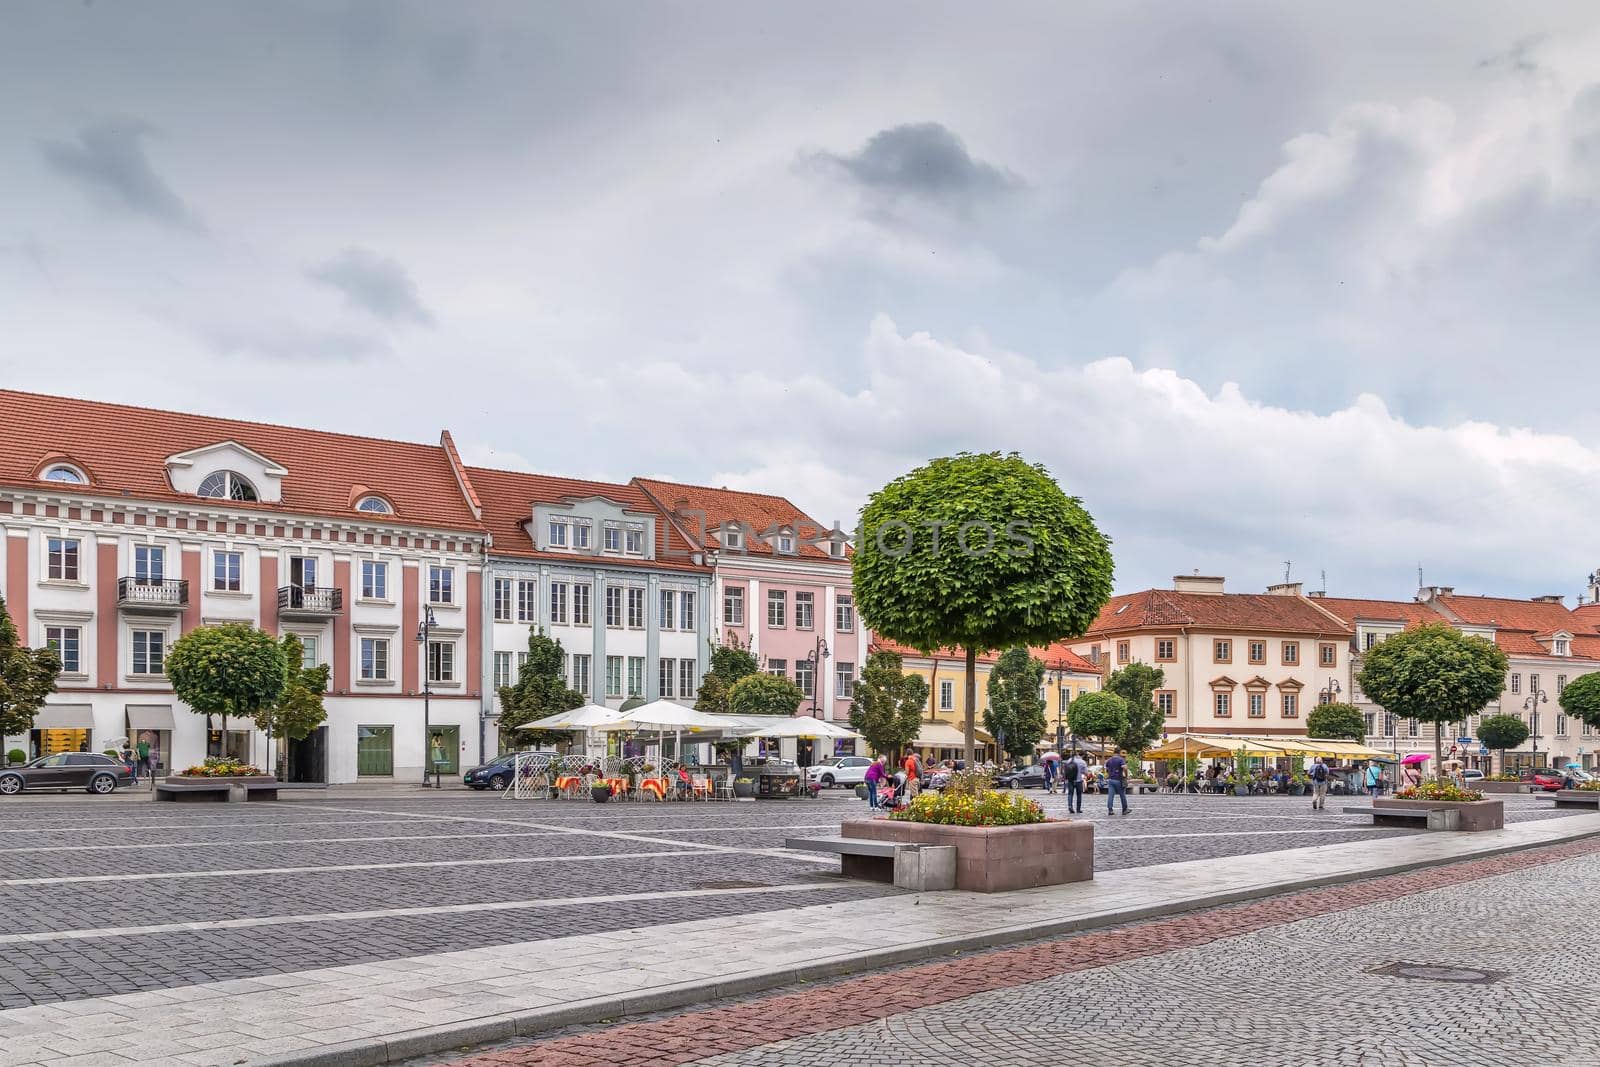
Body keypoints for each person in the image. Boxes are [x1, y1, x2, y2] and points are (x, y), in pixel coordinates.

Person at [1104, 747, 1130, 815]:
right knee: (1122, 795)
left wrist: (1110, 773)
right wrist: (1126, 775)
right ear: (1119, 752)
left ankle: (1110, 810)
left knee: (1110, 795)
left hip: (1110, 779)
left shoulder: (1109, 760)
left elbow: (1106, 770)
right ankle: (1124, 809)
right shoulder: (1120, 759)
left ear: (1114, 752)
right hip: (1118, 779)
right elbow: (1125, 767)